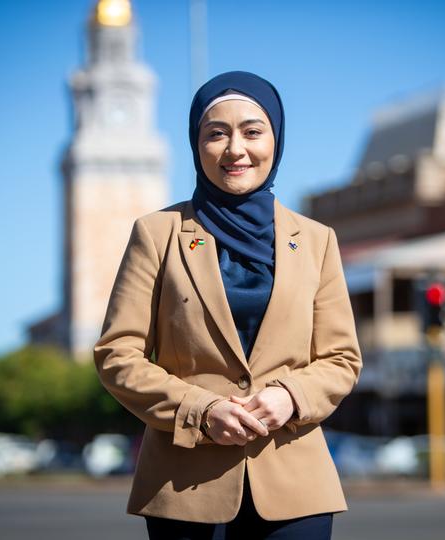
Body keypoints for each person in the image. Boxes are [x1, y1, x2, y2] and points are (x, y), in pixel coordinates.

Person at [93, 70, 362, 540]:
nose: (236, 149)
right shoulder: (157, 234)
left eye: (253, 132)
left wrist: (291, 397)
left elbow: (341, 359)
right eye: (216, 133)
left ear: (275, 140)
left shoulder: (317, 241)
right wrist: (200, 409)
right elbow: (118, 355)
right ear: (197, 146)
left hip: (295, 489)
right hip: (186, 486)